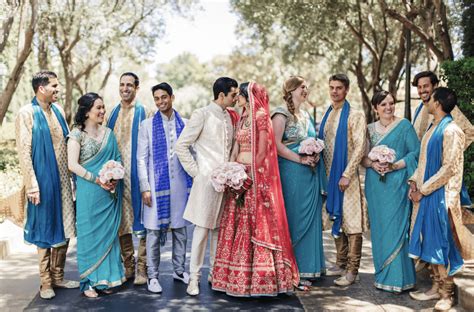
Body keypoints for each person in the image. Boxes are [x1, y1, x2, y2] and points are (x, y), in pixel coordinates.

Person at [212, 82, 299, 296]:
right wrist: (231, 171)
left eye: (238, 95)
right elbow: (235, 146)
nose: (236, 98)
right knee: (235, 223)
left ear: (247, 95)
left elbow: (263, 151)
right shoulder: (242, 117)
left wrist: (249, 176)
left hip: (253, 178)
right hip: (238, 177)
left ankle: (260, 281)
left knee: (254, 225)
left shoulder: (261, 116)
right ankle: (233, 279)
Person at [15, 71, 79, 300]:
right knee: (44, 227)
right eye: (54, 86)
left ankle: (59, 275)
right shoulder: (27, 113)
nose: (58, 90)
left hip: (63, 179)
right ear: (41, 88)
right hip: (42, 181)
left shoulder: (58, 110)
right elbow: (24, 151)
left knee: (66, 225)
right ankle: (45, 282)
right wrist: (32, 184)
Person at [176, 77, 238, 296]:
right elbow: (181, 146)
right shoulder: (201, 114)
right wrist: (197, 173)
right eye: (233, 94)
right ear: (221, 95)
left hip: (227, 184)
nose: (236, 98)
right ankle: (194, 279)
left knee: (219, 231)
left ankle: (215, 274)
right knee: (202, 231)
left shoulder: (230, 117)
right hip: (205, 182)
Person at [408, 87, 467, 311]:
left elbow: (448, 168)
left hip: (442, 196)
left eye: (431, 98)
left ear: (438, 103)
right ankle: (435, 288)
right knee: (429, 240)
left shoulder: (452, 130)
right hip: (427, 193)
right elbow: (423, 163)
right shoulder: (433, 128)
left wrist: (423, 189)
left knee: (442, 243)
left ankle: (447, 295)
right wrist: (414, 182)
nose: (427, 100)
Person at [67, 93, 125, 298]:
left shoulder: (108, 133)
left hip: (108, 193)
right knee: (89, 235)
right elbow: (72, 165)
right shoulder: (76, 135)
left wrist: (114, 177)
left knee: (108, 236)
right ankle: (88, 283)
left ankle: (104, 280)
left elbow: (117, 159)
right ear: (86, 111)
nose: (102, 111)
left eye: (103, 107)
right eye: (98, 108)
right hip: (89, 193)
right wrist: (97, 179)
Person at [137, 83, 192, 293]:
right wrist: (145, 187)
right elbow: (141, 159)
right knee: (152, 232)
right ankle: (153, 276)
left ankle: (179, 270)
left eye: (164, 97)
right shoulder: (147, 125)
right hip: (155, 186)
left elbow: (191, 154)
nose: (161, 102)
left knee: (180, 230)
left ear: (172, 97)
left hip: (179, 185)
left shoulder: (185, 124)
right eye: (157, 98)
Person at [271, 76, 326, 287]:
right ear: (292, 89)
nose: (306, 89)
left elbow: (313, 140)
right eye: (302, 87)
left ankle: (309, 267)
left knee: (311, 220)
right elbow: (276, 146)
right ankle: (292, 269)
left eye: (306, 86)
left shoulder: (305, 115)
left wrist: (314, 156)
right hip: (291, 174)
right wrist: (300, 159)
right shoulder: (280, 113)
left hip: (309, 174)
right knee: (294, 218)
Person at [361, 90, 418, 293]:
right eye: (383, 104)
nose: (388, 108)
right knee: (380, 229)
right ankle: (383, 274)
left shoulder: (404, 126)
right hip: (376, 187)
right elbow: (362, 157)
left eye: (391, 103)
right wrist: (373, 164)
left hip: (398, 185)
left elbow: (416, 153)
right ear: (376, 108)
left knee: (397, 228)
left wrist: (395, 166)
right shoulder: (368, 129)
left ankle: (401, 279)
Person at [319, 74, 367, 286]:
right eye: (331, 87)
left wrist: (347, 173)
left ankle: (352, 270)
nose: (334, 91)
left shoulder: (355, 115)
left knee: (352, 222)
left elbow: (360, 147)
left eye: (339, 88)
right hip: (328, 177)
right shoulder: (328, 114)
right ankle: (340, 263)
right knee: (334, 217)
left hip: (347, 178)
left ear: (346, 90)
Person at [107, 72, 148, 285]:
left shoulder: (143, 112)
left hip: (138, 175)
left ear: (137, 88)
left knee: (142, 219)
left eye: (129, 85)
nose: (125, 88)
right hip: (117, 176)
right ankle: (129, 265)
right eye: (122, 84)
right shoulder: (112, 112)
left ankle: (142, 267)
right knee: (122, 221)